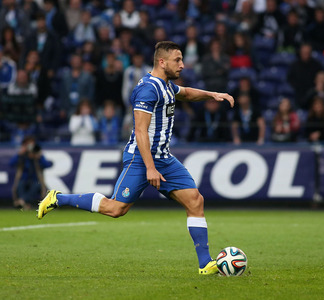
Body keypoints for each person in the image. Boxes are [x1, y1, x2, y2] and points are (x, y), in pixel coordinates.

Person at [37, 41, 235, 276]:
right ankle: (59, 198)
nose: (182, 65)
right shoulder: (148, 89)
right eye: (177, 60)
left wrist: (212, 94)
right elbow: (140, 131)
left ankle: (206, 264)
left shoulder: (166, 85)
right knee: (116, 209)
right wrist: (150, 168)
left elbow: (187, 94)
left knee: (195, 201)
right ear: (162, 62)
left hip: (164, 158)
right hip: (141, 159)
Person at [10, 136, 52, 210]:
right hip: (24, 179)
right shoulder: (22, 156)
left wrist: (39, 157)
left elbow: (47, 165)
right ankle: (25, 204)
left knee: (36, 186)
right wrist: (20, 154)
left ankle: (21, 201)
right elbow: (11, 164)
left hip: (35, 180)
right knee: (20, 185)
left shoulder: (38, 155)